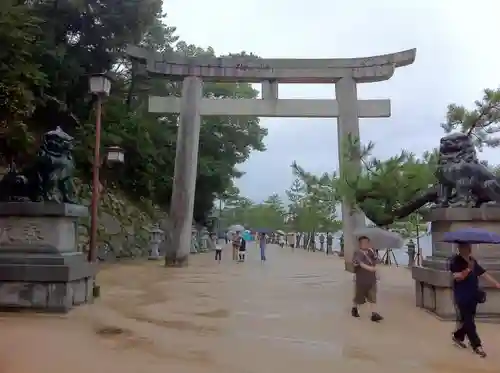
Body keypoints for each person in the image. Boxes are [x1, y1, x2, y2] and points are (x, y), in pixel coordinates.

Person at [449, 242, 500, 358]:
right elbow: (457, 277)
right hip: (462, 296)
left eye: (469, 246)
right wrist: (467, 270)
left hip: (473, 296)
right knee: (469, 321)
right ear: (460, 248)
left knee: (468, 320)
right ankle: (477, 345)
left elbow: (483, 274)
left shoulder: (472, 261)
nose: (469, 248)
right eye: (466, 246)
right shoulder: (455, 261)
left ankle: (458, 336)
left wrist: (496, 284)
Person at [351, 236, 383, 322]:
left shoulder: (372, 251)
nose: (365, 244)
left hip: (371, 279)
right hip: (361, 280)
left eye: (366, 242)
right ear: (360, 244)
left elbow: (376, 262)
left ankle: (374, 314)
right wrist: (371, 269)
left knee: (373, 297)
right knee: (359, 297)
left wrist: (377, 272)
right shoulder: (357, 253)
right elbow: (359, 263)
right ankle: (354, 308)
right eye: (363, 242)